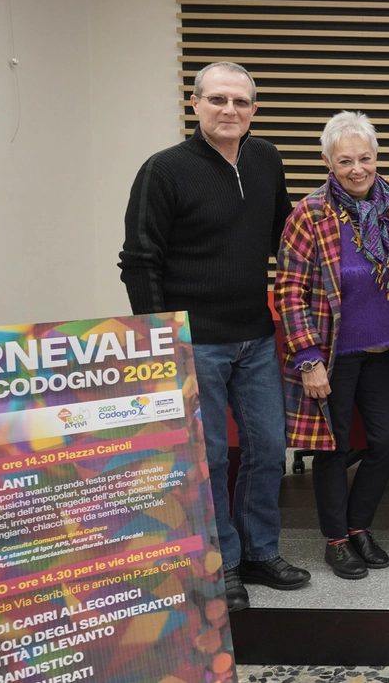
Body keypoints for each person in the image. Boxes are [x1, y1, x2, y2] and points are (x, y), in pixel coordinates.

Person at [118, 61, 310, 611]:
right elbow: (139, 260)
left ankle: (259, 551)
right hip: (195, 341)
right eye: (218, 100)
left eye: (241, 102)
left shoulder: (266, 158)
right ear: (196, 103)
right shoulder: (165, 171)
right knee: (210, 458)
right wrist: (161, 341)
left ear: (254, 110)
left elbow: (285, 235)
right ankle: (222, 564)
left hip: (255, 333)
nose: (230, 111)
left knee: (268, 449)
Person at [275, 112, 389, 580]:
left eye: (366, 158)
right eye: (345, 160)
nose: (358, 169)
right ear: (327, 162)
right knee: (331, 448)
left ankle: (359, 527)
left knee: (388, 440)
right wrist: (308, 359)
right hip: (332, 356)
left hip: (387, 349)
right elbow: (289, 292)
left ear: (376, 157)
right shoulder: (308, 215)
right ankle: (336, 541)